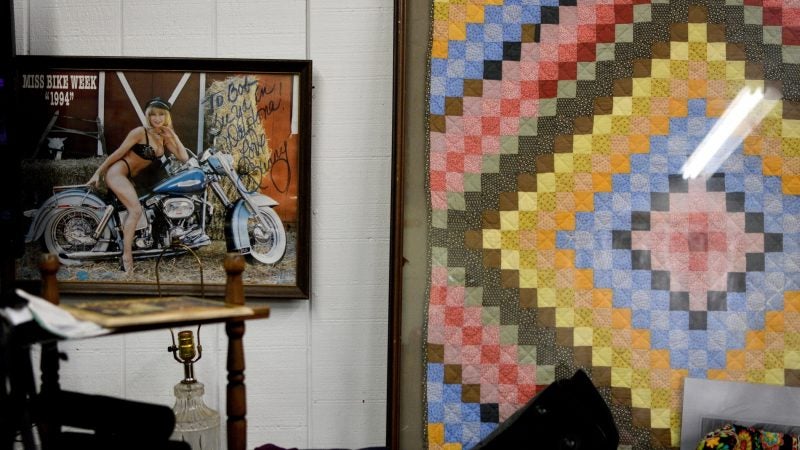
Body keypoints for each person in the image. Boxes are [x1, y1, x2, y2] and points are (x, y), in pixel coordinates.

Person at [88, 97, 189, 274]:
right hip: (118, 173)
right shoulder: (139, 132)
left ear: (167, 117)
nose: (157, 119)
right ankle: (126, 257)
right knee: (135, 211)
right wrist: (98, 172)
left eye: (161, 115)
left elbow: (184, 158)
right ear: (148, 116)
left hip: (132, 178)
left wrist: (174, 136)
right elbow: (117, 153)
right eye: (153, 115)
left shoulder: (164, 137)